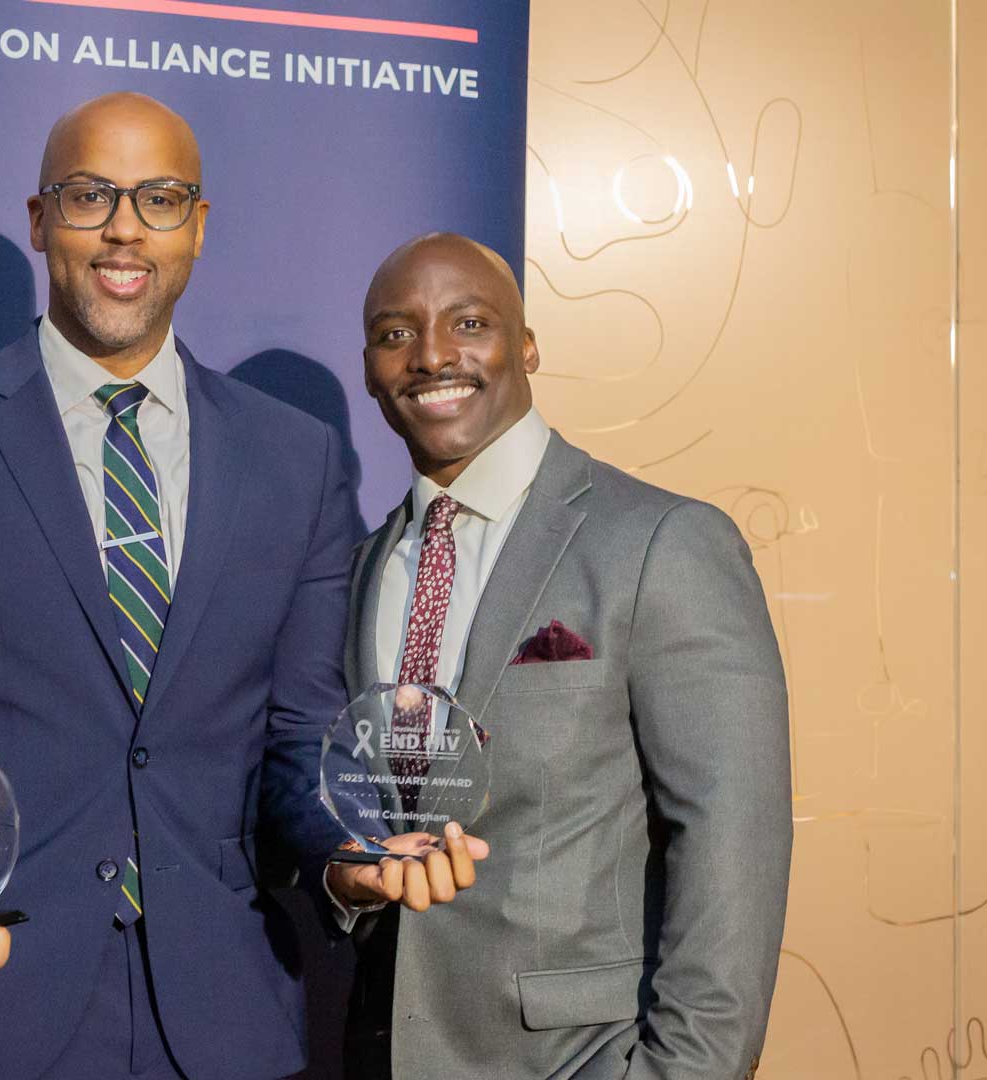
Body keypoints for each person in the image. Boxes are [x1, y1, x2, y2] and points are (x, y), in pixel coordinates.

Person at [0, 91, 381, 1080]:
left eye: (160, 199)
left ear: (197, 226)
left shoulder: (297, 460)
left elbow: (302, 731)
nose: (125, 228)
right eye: (89, 196)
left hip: (224, 1017)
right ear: (41, 221)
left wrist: (351, 851)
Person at [338, 232, 792, 1079]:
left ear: (528, 345)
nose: (432, 355)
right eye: (396, 334)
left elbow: (733, 841)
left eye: (469, 322)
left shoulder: (662, 543)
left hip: (581, 1059)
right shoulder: (365, 567)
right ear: (369, 369)